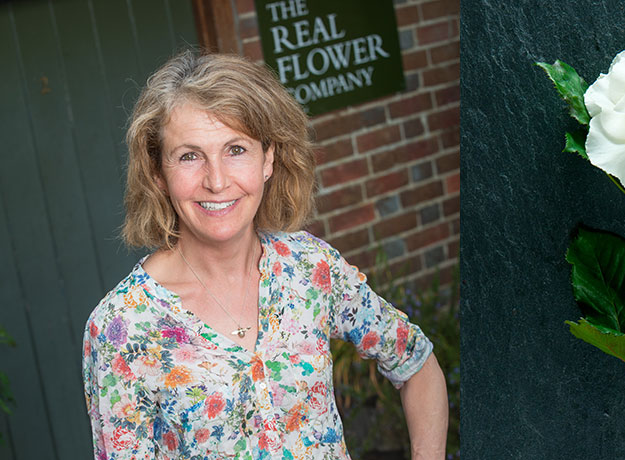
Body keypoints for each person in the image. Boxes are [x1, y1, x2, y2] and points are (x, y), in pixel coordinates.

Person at [81, 50, 448, 459]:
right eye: (189, 156)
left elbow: (417, 365)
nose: (217, 181)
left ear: (268, 158)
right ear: (157, 173)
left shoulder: (310, 268)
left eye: (236, 149)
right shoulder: (123, 327)